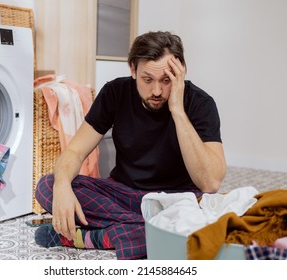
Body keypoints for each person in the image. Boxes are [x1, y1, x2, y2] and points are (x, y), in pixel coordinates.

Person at [34, 31, 227, 259]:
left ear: (180, 73)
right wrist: (62, 186)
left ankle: (95, 236)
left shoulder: (200, 103)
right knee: (47, 185)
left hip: (176, 201)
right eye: (147, 79)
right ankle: (154, 231)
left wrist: (177, 110)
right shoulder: (115, 93)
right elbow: (75, 151)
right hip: (124, 194)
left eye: (166, 80)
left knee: (202, 216)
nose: (157, 91)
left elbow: (211, 182)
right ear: (133, 70)